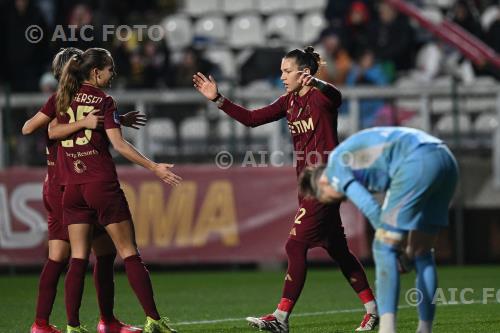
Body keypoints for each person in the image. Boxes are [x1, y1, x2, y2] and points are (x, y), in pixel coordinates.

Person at [193, 46, 379, 332]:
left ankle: (280, 318)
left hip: (325, 182)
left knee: (295, 245)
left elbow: (337, 96)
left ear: (303, 73)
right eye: (282, 71)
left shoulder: (320, 97)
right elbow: (252, 119)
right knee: (337, 249)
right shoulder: (289, 101)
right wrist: (218, 98)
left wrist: (317, 81)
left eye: (287, 71)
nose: (282, 76)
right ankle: (373, 310)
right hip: (306, 184)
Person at [55, 47, 181, 333]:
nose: (113, 74)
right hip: (101, 185)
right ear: (96, 71)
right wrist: (154, 167)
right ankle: (153, 320)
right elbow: (120, 146)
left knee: (79, 257)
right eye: (110, 69)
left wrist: (117, 119)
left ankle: (73, 327)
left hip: (72, 188)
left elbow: (52, 131)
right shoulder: (104, 99)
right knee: (129, 252)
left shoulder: (64, 98)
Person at [22, 47, 146, 333]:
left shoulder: (72, 101)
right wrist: (87, 122)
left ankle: (76, 322)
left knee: (87, 254)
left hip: (66, 185)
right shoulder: (62, 102)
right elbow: (41, 129)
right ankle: (78, 323)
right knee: (70, 256)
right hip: (65, 186)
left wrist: (114, 121)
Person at [299, 127, 459, 333]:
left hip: (416, 162)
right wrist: (403, 248)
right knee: (422, 253)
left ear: (322, 183)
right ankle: (424, 329)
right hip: (445, 159)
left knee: (383, 248)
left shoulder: (334, 168)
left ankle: (387, 329)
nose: (339, 201)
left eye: (326, 198)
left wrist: (393, 243)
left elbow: (369, 206)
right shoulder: (355, 158)